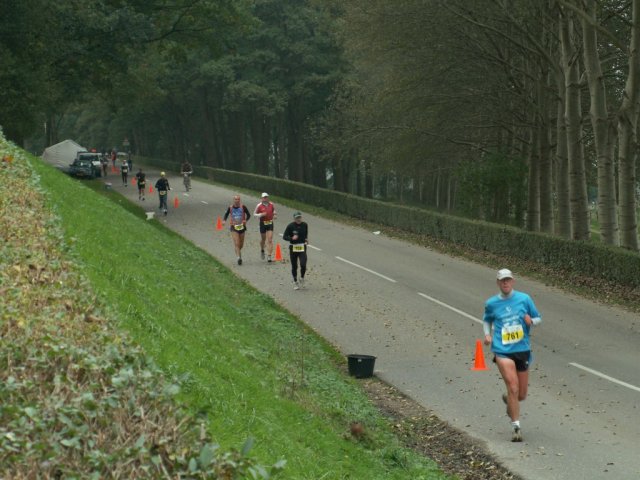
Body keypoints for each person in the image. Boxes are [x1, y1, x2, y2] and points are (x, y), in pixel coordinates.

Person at [483, 268, 542, 442]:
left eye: (508, 280)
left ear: (513, 281)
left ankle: (509, 399)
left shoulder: (524, 299)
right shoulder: (492, 303)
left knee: (521, 394)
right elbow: (487, 320)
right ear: (498, 283)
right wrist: (487, 335)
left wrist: (532, 321)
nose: (505, 283)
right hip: (502, 350)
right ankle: (516, 427)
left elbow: (538, 318)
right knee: (513, 386)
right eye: (502, 280)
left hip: (522, 349)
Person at [283, 211, 309, 290]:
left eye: (299, 217)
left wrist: (306, 239)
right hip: (293, 248)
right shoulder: (290, 226)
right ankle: (295, 281)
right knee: (294, 266)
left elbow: (305, 234)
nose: (298, 219)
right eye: (297, 218)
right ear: (294, 218)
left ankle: (302, 278)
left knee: (303, 264)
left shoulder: (305, 225)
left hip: (302, 247)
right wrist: (291, 238)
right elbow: (284, 236)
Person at [223, 195, 251, 265]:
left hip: (242, 227)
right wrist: (224, 220)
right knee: (237, 243)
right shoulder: (230, 207)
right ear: (233, 200)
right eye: (235, 199)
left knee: (241, 245)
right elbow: (226, 214)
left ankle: (238, 251)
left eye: (238, 199)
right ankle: (238, 258)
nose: (237, 200)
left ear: (239, 200)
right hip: (233, 227)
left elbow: (249, 215)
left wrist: (245, 220)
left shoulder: (243, 207)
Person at [254, 192, 277, 262]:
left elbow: (274, 211)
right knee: (263, 239)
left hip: (270, 223)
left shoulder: (271, 204)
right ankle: (262, 250)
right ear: (261, 198)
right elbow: (254, 214)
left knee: (270, 239)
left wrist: (275, 214)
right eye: (264, 197)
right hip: (262, 223)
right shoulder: (259, 205)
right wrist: (261, 214)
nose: (265, 198)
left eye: (266, 197)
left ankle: (269, 256)